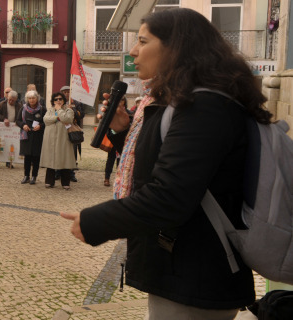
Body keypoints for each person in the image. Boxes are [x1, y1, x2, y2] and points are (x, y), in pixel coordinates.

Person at [60, 9, 270, 319]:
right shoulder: (185, 102)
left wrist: (95, 222)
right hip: (183, 269)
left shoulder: (205, 106)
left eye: (142, 41)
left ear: (176, 47)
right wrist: (122, 133)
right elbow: (163, 166)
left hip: (195, 274)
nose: (133, 51)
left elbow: (169, 195)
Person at [39, 92, 76, 190]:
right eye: (56, 99)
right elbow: (46, 120)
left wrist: (59, 110)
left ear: (63, 100)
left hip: (63, 138)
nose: (58, 101)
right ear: (53, 101)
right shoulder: (50, 110)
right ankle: (49, 182)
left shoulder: (68, 110)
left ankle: (65, 183)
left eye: (60, 99)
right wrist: (57, 118)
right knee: (51, 159)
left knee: (64, 159)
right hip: (51, 138)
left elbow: (67, 119)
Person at [16, 90, 46, 184]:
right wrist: (23, 125)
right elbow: (17, 120)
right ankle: (26, 176)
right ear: (27, 99)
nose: (31, 100)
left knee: (36, 157)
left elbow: (46, 122)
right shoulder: (23, 108)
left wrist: (40, 126)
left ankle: (34, 176)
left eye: (33, 98)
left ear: (37, 98)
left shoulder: (42, 109)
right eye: (29, 98)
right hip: (26, 136)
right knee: (27, 157)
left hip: (37, 136)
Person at [103, 97, 129, 187]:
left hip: (123, 142)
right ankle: (106, 178)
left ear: (125, 102)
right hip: (112, 141)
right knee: (110, 159)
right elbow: (106, 127)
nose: (120, 102)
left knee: (120, 160)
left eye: (122, 100)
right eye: (118, 99)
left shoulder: (129, 113)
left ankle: (120, 179)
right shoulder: (110, 112)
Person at [61, 85, 83, 182]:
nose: (66, 93)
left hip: (72, 130)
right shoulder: (58, 102)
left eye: (68, 92)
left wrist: (72, 109)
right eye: (64, 92)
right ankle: (58, 172)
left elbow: (81, 115)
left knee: (72, 152)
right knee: (60, 151)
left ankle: (71, 173)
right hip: (61, 130)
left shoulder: (76, 103)